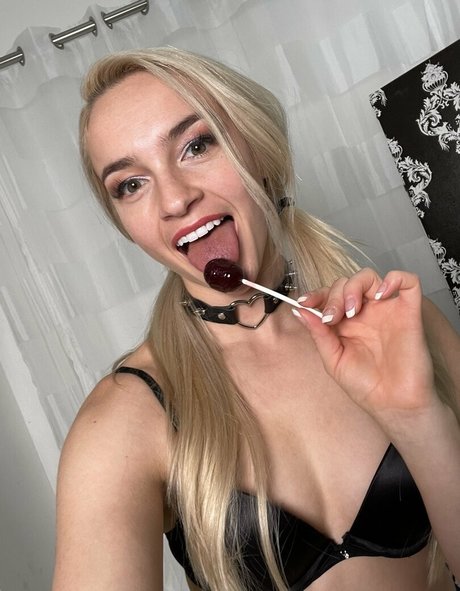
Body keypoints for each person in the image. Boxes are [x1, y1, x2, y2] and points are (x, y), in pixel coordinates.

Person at [51, 47, 460, 591]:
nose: (174, 200)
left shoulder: (408, 329)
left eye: (196, 145)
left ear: (258, 147)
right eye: (130, 184)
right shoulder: (121, 423)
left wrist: (417, 418)